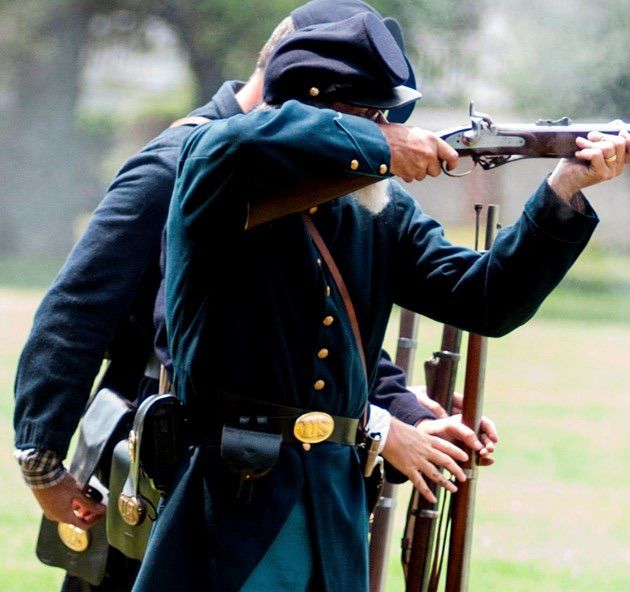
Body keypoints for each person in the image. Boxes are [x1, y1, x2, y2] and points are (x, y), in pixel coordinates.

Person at [140, 10, 630, 591]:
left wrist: (563, 190)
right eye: (371, 115)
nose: (388, 129)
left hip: (334, 515)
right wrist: (377, 143)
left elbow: (486, 299)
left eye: (386, 117)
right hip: (232, 508)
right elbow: (241, 138)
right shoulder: (215, 163)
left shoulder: (378, 209)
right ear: (311, 108)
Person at [10, 2, 490, 591]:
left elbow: (308, 328)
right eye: (352, 107)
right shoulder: (177, 164)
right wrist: (42, 456)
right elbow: (75, 313)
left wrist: (402, 410)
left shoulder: (309, 181)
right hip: (169, 461)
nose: (371, 124)